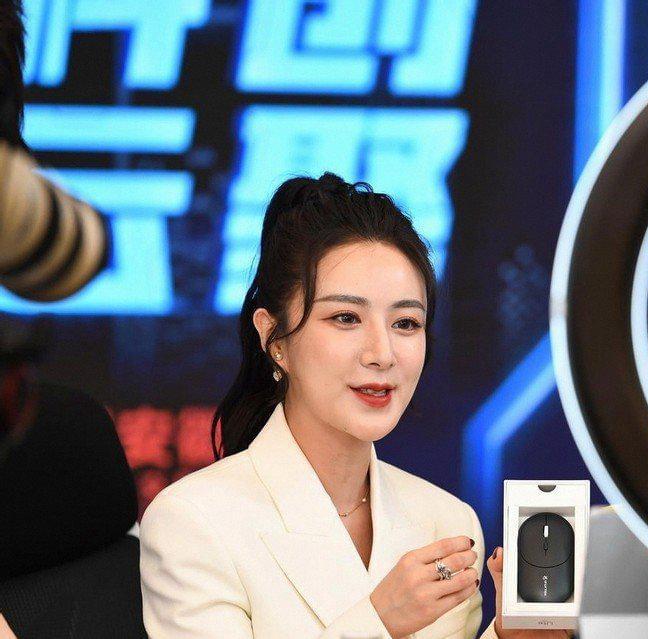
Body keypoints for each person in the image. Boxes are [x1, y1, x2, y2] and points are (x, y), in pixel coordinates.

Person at [139, 173, 566, 639]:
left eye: (406, 323)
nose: (382, 353)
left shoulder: (446, 520)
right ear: (274, 338)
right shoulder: (194, 520)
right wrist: (380, 621)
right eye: (346, 317)